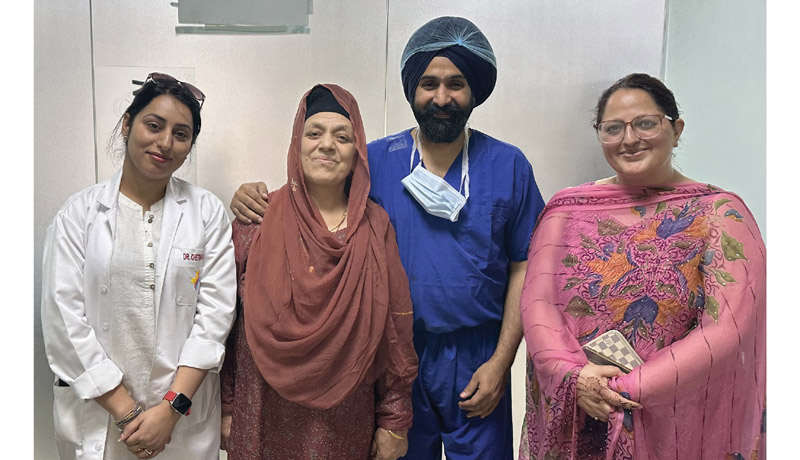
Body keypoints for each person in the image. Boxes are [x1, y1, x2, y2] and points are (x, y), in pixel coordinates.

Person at [230, 17, 545, 460]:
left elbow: (524, 265)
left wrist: (502, 361)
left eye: (456, 84)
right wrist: (251, 196)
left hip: (478, 354)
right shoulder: (373, 160)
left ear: (474, 91)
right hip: (391, 353)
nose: (441, 97)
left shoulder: (509, 165)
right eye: (429, 83)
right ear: (411, 90)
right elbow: (316, 200)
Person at [519, 73, 766, 460]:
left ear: (676, 128)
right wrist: (574, 378)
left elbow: (728, 327)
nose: (629, 139)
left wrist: (631, 388)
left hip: (670, 416)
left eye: (646, 123)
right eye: (613, 128)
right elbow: (538, 306)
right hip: (580, 410)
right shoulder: (567, 210)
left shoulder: (718, 213)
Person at [41, 72, 237, 460]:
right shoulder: (79, 214)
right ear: (128, 124)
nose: (165, 142)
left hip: (181, 421)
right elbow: (63, 320)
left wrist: (170, 410)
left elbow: (214, 318)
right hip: (101, 417)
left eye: (181, 134)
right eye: (154, 125)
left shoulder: (207, 213)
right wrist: (127, 411)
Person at [219, 84, 418, 460]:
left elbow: (395, 330)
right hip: (260, 413)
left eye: (342, 137)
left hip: (344, 420)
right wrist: (227, 406)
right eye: (314, 133)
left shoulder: (375, 228)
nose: (327, 145)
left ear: (357, 151)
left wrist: (394, 420)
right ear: (298, 143)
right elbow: (226, 326)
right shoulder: (255, 222)